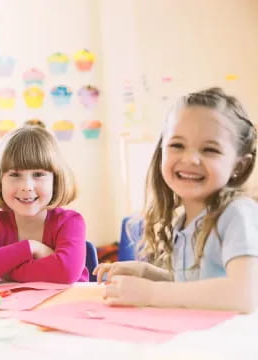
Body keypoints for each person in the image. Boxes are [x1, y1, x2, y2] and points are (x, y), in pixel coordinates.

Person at [94, 87, 258, 313]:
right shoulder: (185, 221)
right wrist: (148, 274)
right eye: (177, 145)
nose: (190, 158)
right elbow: (196, 288)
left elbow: (244, 295)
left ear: (239, 165)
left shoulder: (238, 213)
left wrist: (150, 293)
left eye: (210, 149)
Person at [0, 126, 88, 285]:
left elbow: (66, 272)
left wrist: (8, 271)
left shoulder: (70, 222)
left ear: (55, 181)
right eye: (15, 175)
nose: (27, 186)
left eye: (38, 174)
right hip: (15, 308)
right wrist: (31, 247)